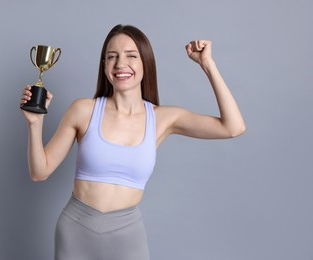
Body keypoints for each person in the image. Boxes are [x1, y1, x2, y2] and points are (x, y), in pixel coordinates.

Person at [20, 24, 245, 260]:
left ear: (145, 63)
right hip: (75, 230)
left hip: (127, 236)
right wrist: (35, 124)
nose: (120, 64)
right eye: (111, 57)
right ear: (104, 65)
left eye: (131, 56)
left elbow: (233, 127)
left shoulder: (163, 118)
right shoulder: (83, 110)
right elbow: (40, 172)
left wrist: (207, 64)